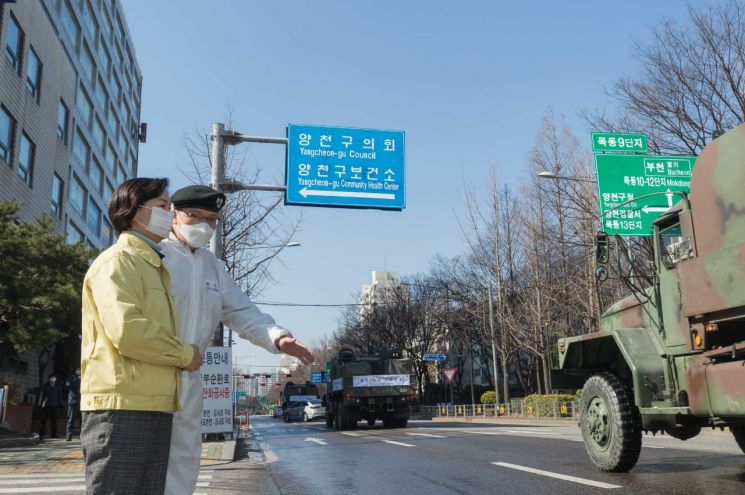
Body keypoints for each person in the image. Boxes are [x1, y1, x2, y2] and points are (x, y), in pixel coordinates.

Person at [160, 185, 314, 495]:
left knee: (184, 461)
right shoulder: (155, 255)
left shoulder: (213, 268)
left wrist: (279, 338)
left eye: (212, 219)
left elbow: (244, 312)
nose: (205, 226)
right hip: (151, 373)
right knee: (145, 462)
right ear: (173, 215)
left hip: (190, 377)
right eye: (195, 216)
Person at [80, 177, 203, 495]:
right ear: (134, 210)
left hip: (152, 402)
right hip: (121, 406)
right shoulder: (118, 262)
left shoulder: (151, 265)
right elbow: (129, 331)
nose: (169, 213)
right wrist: (185, 354)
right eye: (163, 206)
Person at [38, 374, 63, 439]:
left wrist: (61, 404)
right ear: (49, 379)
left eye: (54, 377)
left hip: (55, 405)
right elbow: (42, 395)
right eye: (52, 378)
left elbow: (59, 396)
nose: (53, 379)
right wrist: (40, 403)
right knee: (43, 420)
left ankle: (54, 434)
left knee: (54, 420)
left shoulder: (58, 386)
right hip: (46, 404)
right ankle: (41, 434)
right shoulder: (45, 386)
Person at [65, 368, 81, 441]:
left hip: (82, 400)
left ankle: (82, 435)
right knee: (71, 418)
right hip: (72, 400)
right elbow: (68, 386)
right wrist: (77, 380)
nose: (79, 372)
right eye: (78, 370)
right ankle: (69, 436)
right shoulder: (71, 377)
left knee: (83, 418)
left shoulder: (85, 377)